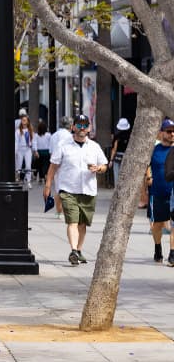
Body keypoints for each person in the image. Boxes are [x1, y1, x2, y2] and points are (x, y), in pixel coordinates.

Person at [44, 114, 108, 266]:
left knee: (82, 224)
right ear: (73, 127)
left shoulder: (94, 147)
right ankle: (73, 250)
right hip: (68, 189)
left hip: (88, 190)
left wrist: (98, 168)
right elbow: (53, 166)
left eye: (85, 125)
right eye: (79, 125)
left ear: (89, 128)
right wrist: (48, 185)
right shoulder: (63, 145)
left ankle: (79, 250)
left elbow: (104, 165)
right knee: (72, 221)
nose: (82, 128)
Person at [145, 119, 174, 264]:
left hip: (173, 193)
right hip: (157, 193)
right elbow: (145, 165)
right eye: (169, 131)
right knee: (157, 224)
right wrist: (148, 175)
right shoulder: (154, 150)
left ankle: (172, 253)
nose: (172, 134)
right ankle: (158, 247)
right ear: (161, 133)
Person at [110, 117, 132, 188]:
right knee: (126, 175)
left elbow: (114, 149)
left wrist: (111, 160)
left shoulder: (117, 136)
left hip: (117, 157)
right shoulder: (131, 136)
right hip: (127, 157)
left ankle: (117, 191)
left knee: (117, 175)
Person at [16, 115, 36, 183]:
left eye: (25, 120)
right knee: (19, 164)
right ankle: (17, 177)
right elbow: (16, 141)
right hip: (20, 149)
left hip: (28, 149)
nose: (23, 121)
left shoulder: (30, 131)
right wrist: (15, 150)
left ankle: (28, 179)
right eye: (22, 120)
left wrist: (35, 150)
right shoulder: (18, 131)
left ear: (27, 121)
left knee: (28, 165)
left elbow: (34, 141)